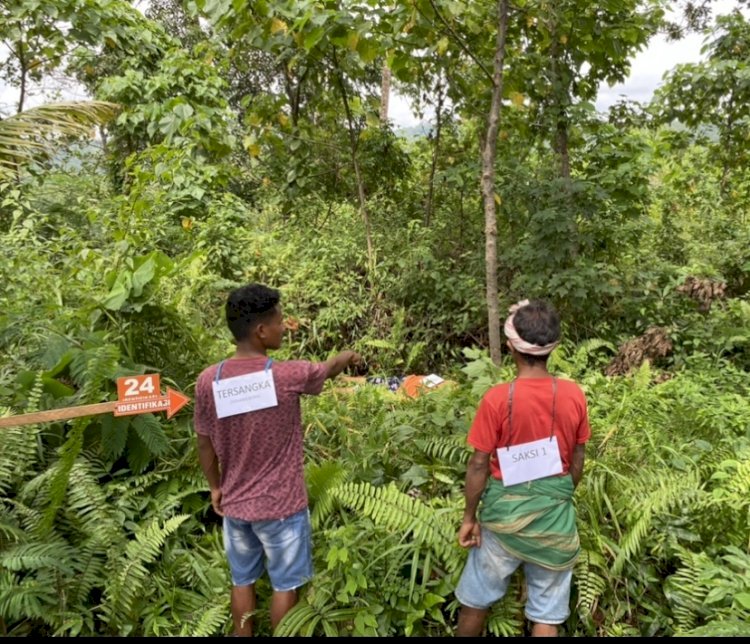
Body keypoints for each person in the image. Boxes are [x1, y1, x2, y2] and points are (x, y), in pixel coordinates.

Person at [193, 283, 361, 636]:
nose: (284, 328)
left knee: (242, 582)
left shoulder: (209, 380)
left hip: (236, 507)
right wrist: (347, 357)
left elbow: (204, 442)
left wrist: (215, 487)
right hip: (282, 507)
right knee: (286, 585)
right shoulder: (286, 375)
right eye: (280, 321)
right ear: (260, 330)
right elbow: (327, 368)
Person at [454, 299, 591, 637]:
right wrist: (554, 498)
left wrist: (470, 518)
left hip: (501, 522)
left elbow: (478, 465)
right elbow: (578, 461)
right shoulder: (573, 395)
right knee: (547, 614)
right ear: (552, 348)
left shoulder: (497, 399)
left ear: (512, 347)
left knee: (475, 601)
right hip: (555, 525)